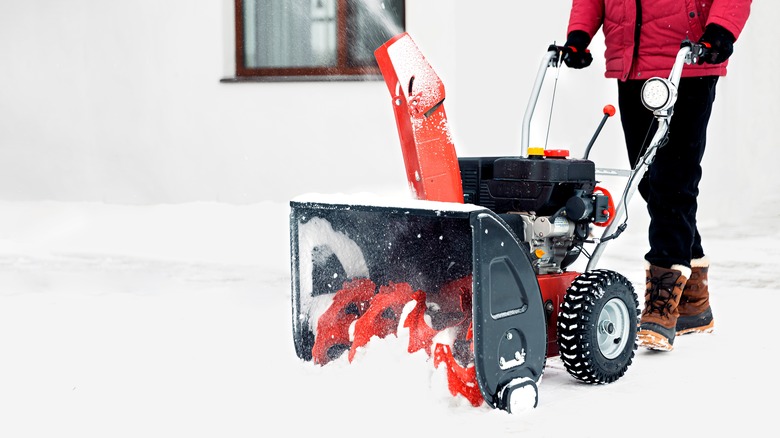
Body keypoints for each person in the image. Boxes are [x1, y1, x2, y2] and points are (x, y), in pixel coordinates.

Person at [562, 0, 751, 351]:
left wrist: (721, 30)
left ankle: (662, 305)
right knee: (650, 180)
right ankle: (694, 302)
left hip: (689, 61)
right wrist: (578, 36)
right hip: (631, 65)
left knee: (673, 183)